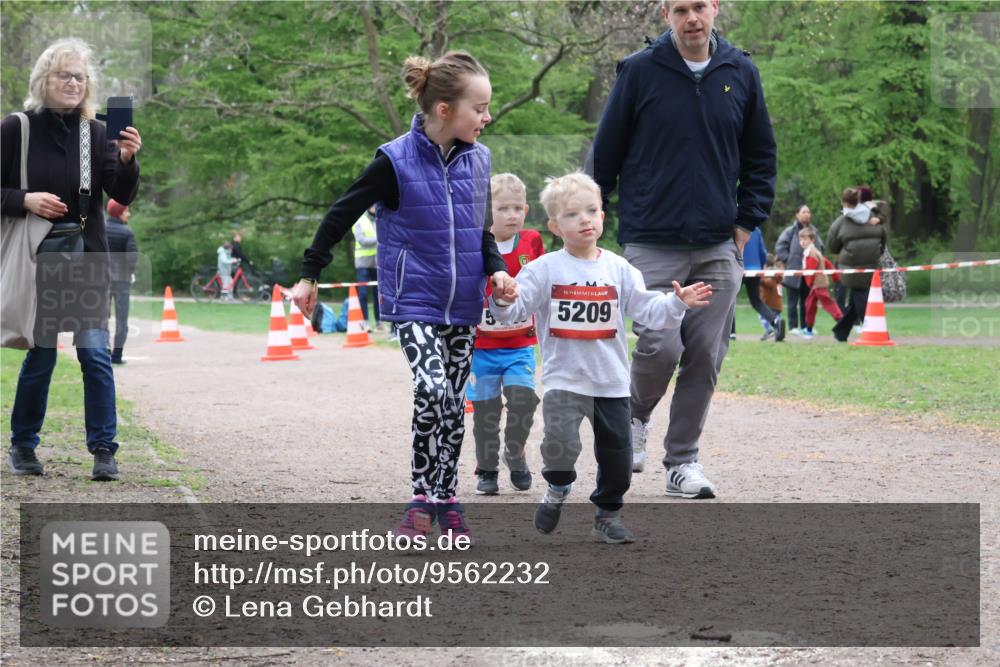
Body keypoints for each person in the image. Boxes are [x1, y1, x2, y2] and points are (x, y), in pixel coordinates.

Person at [290, 51, 516, 542]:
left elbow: (481, 232)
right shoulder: (394, 160)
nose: (487, 117)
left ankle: (445, 499)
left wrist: (497, 271)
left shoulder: (480, 159)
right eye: (479, 108)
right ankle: (420, 497)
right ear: (444, 110)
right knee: (432, 389)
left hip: (463, 304)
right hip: (414, 299)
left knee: (455, 401)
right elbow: (341, 212)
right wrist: (310, 274)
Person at [590, 0, 777, 497]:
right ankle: (634, 416)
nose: (692, 17)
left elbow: (761, 155)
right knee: (661, 344)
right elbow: (604, 151)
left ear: (716, 8)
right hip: (651, 238)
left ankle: (683, 463)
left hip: (718, 243)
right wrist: (590, 210)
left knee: (704, 355)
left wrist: (744, 227)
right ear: (664, 15)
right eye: (680, 9)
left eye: (700, 6)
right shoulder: (638, 72)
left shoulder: (741, 72)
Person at [490, 173, 712, 543]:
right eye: (573, 214)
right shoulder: (543, 270)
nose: (585, 220)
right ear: (555, 226)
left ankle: (607, 514)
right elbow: (515, 313)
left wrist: (676, 302)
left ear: (604, 216)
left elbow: (648, 310)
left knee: (618, 460)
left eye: (592, 210)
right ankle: (557, 489)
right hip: (564, 380)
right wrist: (504, 300)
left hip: (610, 382)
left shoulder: (619, 269)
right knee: (559, 450)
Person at [2, 38, 141, 480]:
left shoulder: (95, 133)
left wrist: (127, 159)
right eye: (65, 74)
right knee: (41, 355)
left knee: (95, 353)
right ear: (44, 79)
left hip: (86, 257)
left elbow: (120, 194)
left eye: (80, 77)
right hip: (37, 258)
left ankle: (104, 451)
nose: (73, 83)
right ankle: (23, 447)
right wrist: (25, 199)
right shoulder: (15, 128)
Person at [469, 173, 545, 495]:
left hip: (519, 344)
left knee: (523, 400)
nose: (512, 215)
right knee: (485, 412)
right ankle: (486, 469)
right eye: (502, 209)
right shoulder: (473, 243)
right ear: (487, 213)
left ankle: (515, 451)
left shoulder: (531, 242)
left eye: (517, 208)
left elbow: (543, 283)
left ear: (526, 210)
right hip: (481, 348)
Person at [827, 187, 887, 342]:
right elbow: (883, 236)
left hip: (850, 267)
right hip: (872, 265)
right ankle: (841, 332)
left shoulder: (841, 222)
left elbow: (832, 246)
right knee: (858, 297)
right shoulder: (873, 217)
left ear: (843, 202)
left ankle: (872, 332)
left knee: (860, 298)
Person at [776, 204, 823, 336]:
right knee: (792, 301)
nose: (806, 214)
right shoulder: (790, 231)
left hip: (809, 272)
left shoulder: (814, 231)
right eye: (803, 212)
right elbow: (780, 247)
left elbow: (820, 247)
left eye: (808, 212)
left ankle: (806, 326)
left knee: (807, 301)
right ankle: (793, 326)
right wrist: (789, 260)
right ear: (797, 214)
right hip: (793, 272)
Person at [105, 199, 138, 364]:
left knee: (102, 317)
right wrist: (131, 272)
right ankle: (117, 355)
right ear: (119, 213)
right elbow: (132, 258)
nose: (129, 214)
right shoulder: (127, 232)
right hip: (122, 280)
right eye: (126, 211)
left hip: (102, 279)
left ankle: (103, 352)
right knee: (121, 319)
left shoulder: (100, 229)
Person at [740, 226, 785, 344]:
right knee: (757, 301)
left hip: (739, 267)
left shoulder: (734, 226)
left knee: (728, 300)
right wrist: (760, 268)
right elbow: (762, 252)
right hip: (756, 270)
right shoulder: (756, 229)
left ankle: (731, 333)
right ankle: (776, 322)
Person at [799, 226, 842, 337]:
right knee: (809, 305)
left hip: (818, 284)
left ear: (812, 240)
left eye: (805, 239)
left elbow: (811, 270)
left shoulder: (812, 253)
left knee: (828, 303)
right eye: (801, 239)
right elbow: (826, 262)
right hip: (815, 285)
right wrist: (835, 275)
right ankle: (809, 329)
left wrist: (809, 282)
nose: (802, 242)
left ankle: (842, 322)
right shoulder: (810, 252)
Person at [352, 206, 381, 330]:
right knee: (363, 294)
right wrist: (379, 238)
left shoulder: (379, 219)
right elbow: (362, 240)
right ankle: (365, 321)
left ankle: (379, 322)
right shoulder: (359, 221)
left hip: (376, 262)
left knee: (378, 294)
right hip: (362, 263)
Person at [758, 255, 784, 340]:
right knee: (776, 318)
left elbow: (770, 284)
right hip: (777, 303)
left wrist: (760, 279)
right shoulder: (776, 274)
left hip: (770, 303)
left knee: (762, 316)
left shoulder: (770, 274)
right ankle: (779, 333)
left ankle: (769, 330)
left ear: (765, 265)